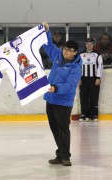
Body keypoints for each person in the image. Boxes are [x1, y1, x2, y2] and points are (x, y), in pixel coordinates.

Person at [42, 22, 81, 166]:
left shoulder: (76, 67)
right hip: (50, 99)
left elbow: (70, 85)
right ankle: (60, 153)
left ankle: (66, 156)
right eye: (65, 48)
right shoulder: (58, 56)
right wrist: (47, 31)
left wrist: (56, 88)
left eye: (69, 50)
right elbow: (48, 46)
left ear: (75, 52)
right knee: (54, 129)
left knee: (63, 129)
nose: (65, 51)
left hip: (63, 102)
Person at [79, 38, 103, 122]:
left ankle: (94, 115)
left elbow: (100, 66)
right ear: (85, 44)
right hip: (83, 79)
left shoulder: (97, 54)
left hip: (94, 79)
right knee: (83, 97)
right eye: (87, 43)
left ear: (93, 45)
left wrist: (98, 77)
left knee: (94, 97)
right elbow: (78, 67)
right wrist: (79, 78)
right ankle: (84, 114)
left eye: (91, 43)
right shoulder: (81, 54)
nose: (89, 45)